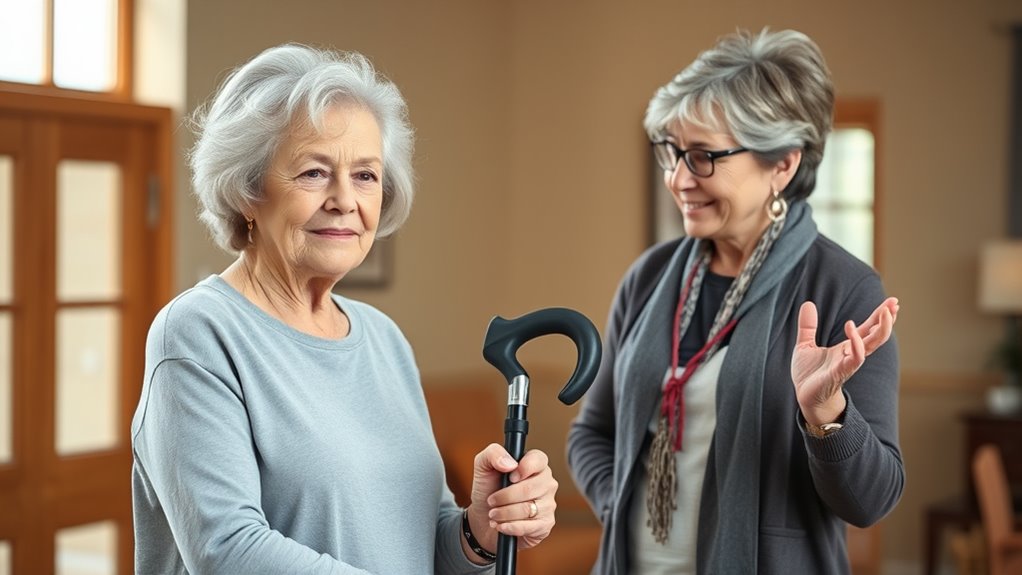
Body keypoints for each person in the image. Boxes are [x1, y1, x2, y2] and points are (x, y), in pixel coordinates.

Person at [131, 43, 558, 574]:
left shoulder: (383, 339)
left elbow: (424, 546)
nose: (344, 200)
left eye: (365, 175)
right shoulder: (198, 334)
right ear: (247, 190)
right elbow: (229, 553)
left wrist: (479, 530)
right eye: (313, 172)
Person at [566, 28, 903, 574]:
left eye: (703, 157)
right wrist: (622, 504)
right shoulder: (649, 279)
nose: (677, 178)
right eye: (671, 153)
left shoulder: (844, 288)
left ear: (783, 165)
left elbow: (872, 500)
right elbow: (591, 433)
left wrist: (825, 414)